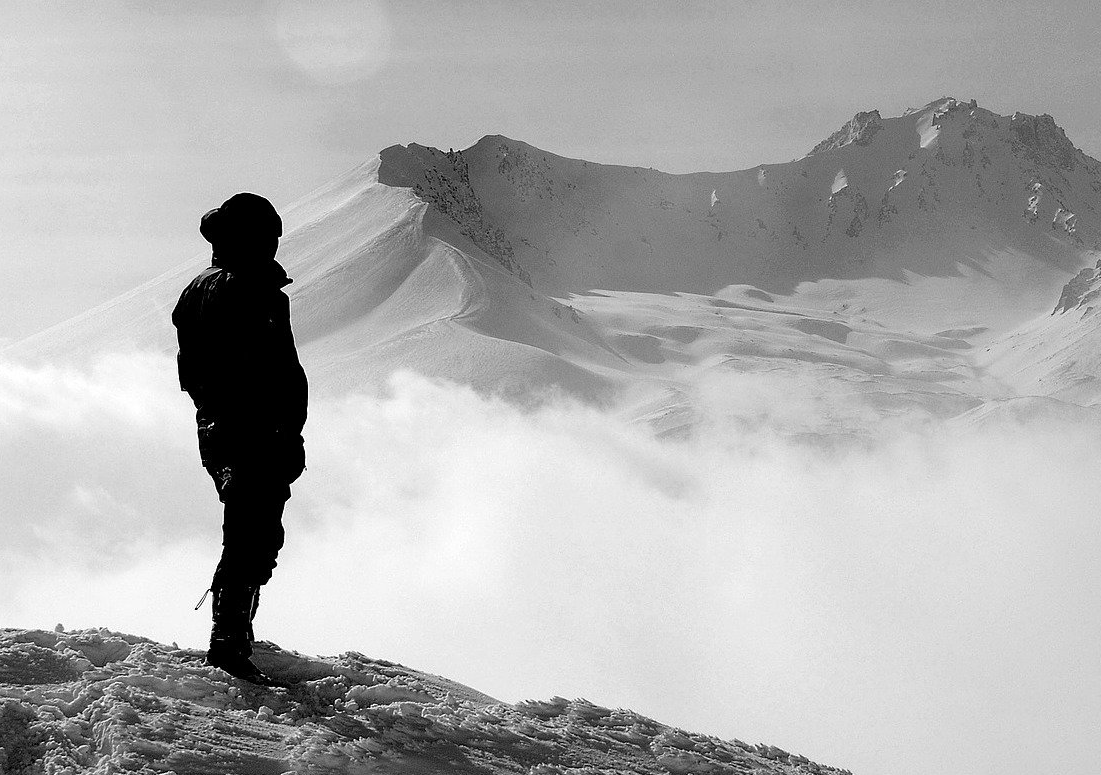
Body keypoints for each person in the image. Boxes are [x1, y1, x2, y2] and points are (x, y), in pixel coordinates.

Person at [171, 192, 308, 685]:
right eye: (268, 236)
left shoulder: (199, 290)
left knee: (249, 530)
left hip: (226, 430)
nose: (274, 245)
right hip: (251, 432)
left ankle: (233, 633)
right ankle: (229, 642)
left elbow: (200, 375)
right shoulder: (248, 290)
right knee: (253, 534)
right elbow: (265, 371)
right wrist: (280, 432)